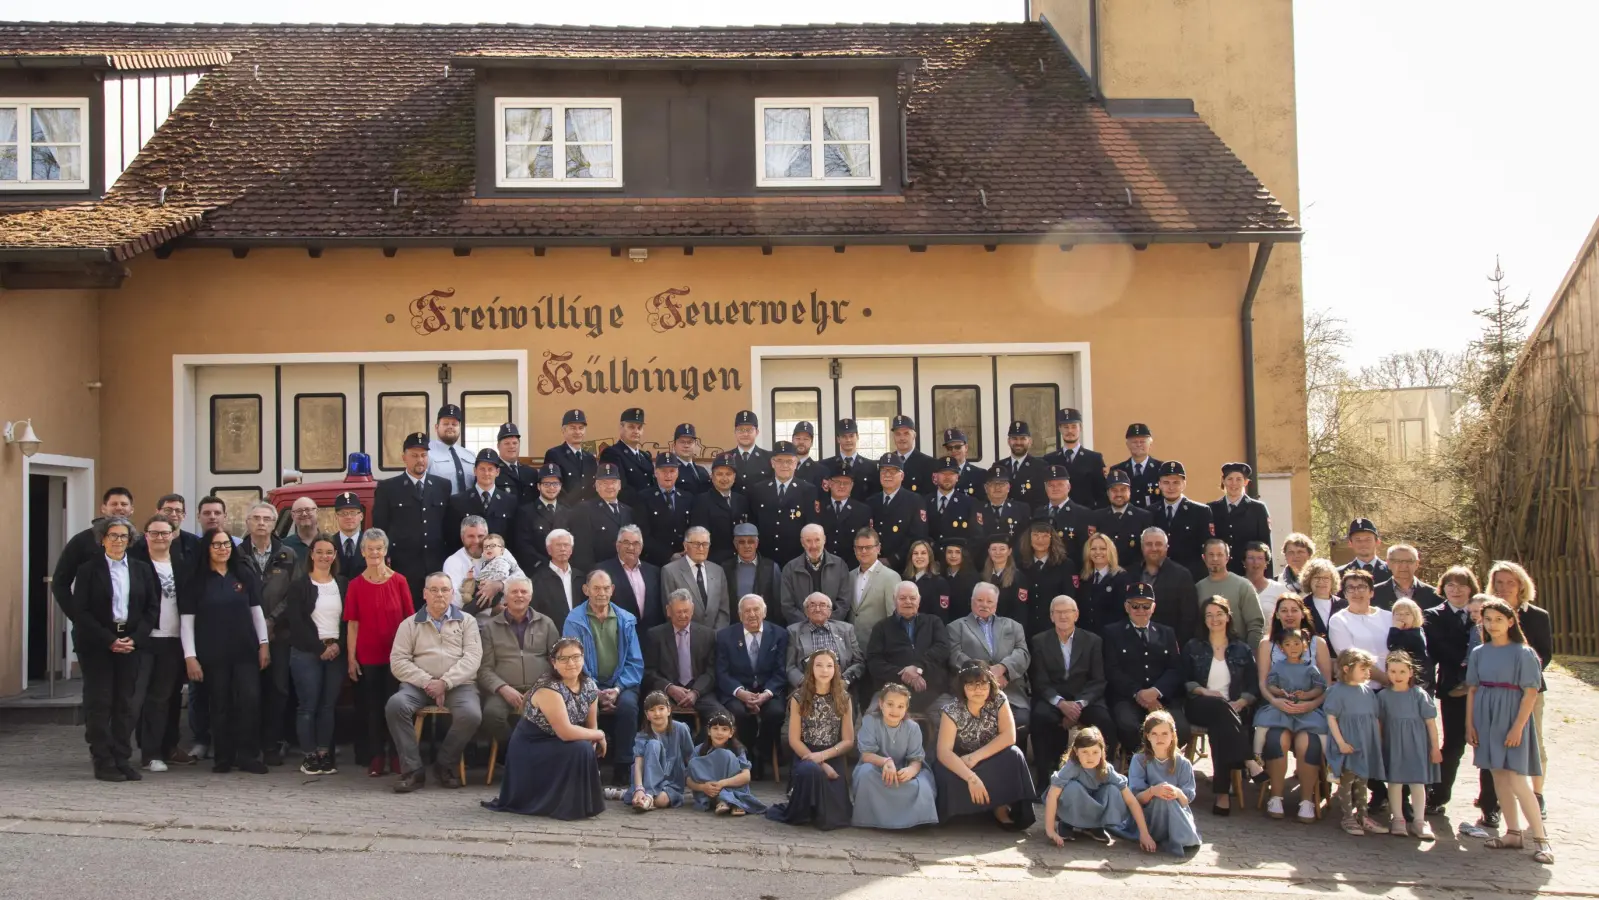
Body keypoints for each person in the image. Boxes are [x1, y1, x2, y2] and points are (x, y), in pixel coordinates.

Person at [72, 516, 158, 782]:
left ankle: (121, 758)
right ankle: (103, 760)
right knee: (100, 703)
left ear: (129, 541)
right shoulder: (88, 570)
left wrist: (135, 638)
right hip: (98, 644)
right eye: (113, 536)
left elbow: (152, 608)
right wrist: (109, 639)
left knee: (125, 704)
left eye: (123, 536)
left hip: (131, 643)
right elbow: (80, 611)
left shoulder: (142, 569)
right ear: (103, 540)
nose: (118, 541)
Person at [1466, 598, 1553, 863]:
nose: (1493, 625)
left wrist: (1517, 728)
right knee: (1498, 776)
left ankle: (1541, 839)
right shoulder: (1478, 652)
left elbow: (1530, 693)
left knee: (1516, 779)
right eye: (1488, 619)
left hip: (1512, 718)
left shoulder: (1523, 653)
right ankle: (1513, 833)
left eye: (1499, 619)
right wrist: (1470, 724)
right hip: (1486, 718)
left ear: (1511, 622)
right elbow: (1472, 689)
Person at [482, 637, 606, 819]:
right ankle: (564, 805)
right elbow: (566, 732)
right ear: (554, 663)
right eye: (563, 658)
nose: (571, 663)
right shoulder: (548, 688)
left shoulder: (590, 686)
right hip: (532, 746)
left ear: (583, 658)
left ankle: (578, 801)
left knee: (584, 748)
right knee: (580, 748)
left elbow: (591, 726)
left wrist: (594, 739)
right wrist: (599, 734)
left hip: (559, 741)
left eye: (576, 657)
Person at [180, 527, 271, 774]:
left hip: (245, 651)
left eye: (227, 544)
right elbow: (187, 622)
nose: (223, 549)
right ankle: (223, 757)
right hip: (212, 653)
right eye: (217, 545)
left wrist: (264, 644)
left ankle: (248, 756)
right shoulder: (196, 581)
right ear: (207, 549)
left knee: (249, 701)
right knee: (220, 704)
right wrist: (190, 657)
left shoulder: (243, 574)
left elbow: (257, 612)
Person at [386, 573, 484, 793]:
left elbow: (473, 658)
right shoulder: (409, 624)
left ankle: (444, 764)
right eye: (434, 590)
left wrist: (446, 682)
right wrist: (428, 682)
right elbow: (398, 662)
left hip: (459, 685)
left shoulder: (467, 621)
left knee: (471, 715)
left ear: (452, 593)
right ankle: (413, 770)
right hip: (418, 685)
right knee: (396, 705)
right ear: (424, 594)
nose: (439, 594)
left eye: (444, 590)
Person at [1477, 560, 1553, 827]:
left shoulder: (1537, 615)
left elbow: (1545, 654)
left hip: (1526, 690)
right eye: (1499, 582)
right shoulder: (1487, 612)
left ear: (1521, 585)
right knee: (1493, 747)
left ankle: (1537, 794)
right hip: (1493, 690)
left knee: (1533, 742)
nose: (1504, 587)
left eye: (1510, 582)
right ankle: (1492, 804)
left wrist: (1517, 676)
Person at [562, 570, 645, 787]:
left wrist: (617, 689)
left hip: (622, 684)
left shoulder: (626, 620)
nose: (601, 593)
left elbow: (635, 662)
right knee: (585, 707)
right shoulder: (574, 620)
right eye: (596, 588)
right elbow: (572, 661)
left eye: (606, 588)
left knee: (628, 708)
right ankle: (590, 766)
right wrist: (595, 690)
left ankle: (624, 767)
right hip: (586, 682)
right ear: (586, 590)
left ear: (612, 590)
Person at [343, 528, 412, 776]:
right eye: (369, 549)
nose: (374, 553)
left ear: (385, 550)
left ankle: (396, 755)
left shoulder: (400, 581)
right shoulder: (355, 585)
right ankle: (376, 757)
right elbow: (352, 624)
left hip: (396, 657)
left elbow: (410, 621)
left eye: (378, 548)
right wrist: (351, 659)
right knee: (372, 708)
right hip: (368, 656)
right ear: (362, 552)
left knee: (395, 707)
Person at [935, 662, 1037, 829]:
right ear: (962, 687)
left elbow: (1009, 736)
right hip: (961, 761)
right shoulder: (951, 710)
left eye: (983, 684)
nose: (978, 689)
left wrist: (976, 757)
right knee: (943, 772)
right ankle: (965, 814)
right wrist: (971, 778)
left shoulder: (999, 699)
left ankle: (1000, 807)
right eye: (971, 684)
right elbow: (943, 752)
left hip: (989, 756)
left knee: (1014, 754)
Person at [1180, 597, 1258, 815]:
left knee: (1220, 727)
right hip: (1199, 705)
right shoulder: (1193, 646)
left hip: (1232, 709)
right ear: (1204, 620)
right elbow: (1183, 680)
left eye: (1219, 614)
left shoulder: (1241, 649)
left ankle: (1222, 795)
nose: (1214, 619)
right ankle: (1248, 759)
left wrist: (1242, 701)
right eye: (1209, 615)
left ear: (1228, 617)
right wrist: (1203, 691)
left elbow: (1253, 685)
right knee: (1219, 708)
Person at [1028, 595, 1116, 787]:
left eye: (1067, 612)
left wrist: (1077, 706)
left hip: (1084, 699)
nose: (1063, 616)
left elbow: (1098, 680)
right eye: (1058, 612)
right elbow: (1040, 681)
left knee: (1105, 721)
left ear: (1076, 615)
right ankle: (1044, 782)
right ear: (1051, 616)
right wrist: (1060, 704)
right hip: (1053, 698)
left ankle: (1103, 778)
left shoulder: (1093, 641)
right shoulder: (1039, 641)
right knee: (1040, 718)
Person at [765, 649, 856, 829]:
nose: (824, 670)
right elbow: (794, 740)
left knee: (834, 818)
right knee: (810, 771)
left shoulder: (844, 698)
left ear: (836, 669)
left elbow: (848, 741)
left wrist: (823, 757)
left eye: (829, 666)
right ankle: (805, 809)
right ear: (811, 669)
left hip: (832, 753)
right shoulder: (798, 698)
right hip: (806, 754)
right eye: (819, 665)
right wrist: (821, 764)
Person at [130, 514, 192, 772]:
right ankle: (146, 753)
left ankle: (164, 749)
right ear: (146, 536)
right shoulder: (136, 565)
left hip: (174, 639)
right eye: (154, 533)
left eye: (164, 533)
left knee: (166, 697)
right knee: (141, 699)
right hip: (145, 640)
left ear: (173, 535)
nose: (159, 537)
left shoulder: (181, 564)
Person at [283, 535, 345, 775]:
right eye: (319, 551)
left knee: (328, 706)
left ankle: (324, 753)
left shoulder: (342, 584)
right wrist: (321, 649)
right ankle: (309, 756)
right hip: (306, 653)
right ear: (311, 554)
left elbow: (348, 619)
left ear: (335, 555)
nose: (324, 556)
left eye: (329, 552)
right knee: (308, 706)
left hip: (336, 653)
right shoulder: (299, 585)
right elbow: (296, 623)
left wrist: (338, 645)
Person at [1104, 582, 1189, 757]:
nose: (1141, 610)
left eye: (1146, 606)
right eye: (1135, 605)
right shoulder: (1112, 633)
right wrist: (1138, 693)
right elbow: (1112, 670)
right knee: (1128, 727)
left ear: (1153, 608)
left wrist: (1156, 692)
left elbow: (1175, 668)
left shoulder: (1166, 633)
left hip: (1161, 698)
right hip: (1128, 698)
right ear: (1127, 607)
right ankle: (1144, 764)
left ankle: (1164, 763)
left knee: (1180, 728)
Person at [1253, 624, 1327, 821]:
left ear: (1305, 646)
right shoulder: (1278, 666)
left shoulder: (1310, 668)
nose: (1293, 647)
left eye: (1297, 643)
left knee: (1310, 744)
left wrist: (1308, 698)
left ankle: (1307, 801)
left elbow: (1321, 687)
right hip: (1281, 710)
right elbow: (1269, 684)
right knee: (1276, 740)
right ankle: (1275, 796)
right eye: (1288, 644)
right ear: (1281, 647)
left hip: (1306, 712)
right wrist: (1280, 694)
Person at [476, 576, 559, 752]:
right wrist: (503, 688)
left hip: (540, 688)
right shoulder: (491, 627)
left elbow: (557, 663)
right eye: (514, 592)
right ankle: (514, 751)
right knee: (491, 714)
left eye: (523, 592)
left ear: (531, 596)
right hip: (503, 690)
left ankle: (537, 755)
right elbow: (484, 668)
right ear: (505, 597)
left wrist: (539, 687)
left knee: (553, 712)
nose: (519, 595)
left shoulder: (546, 623)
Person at [371, 432, 451, 610]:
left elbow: (448, 527)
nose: (420, 460)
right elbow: (379, 529)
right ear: (404, 457)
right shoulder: (388, 488)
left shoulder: (443, 486)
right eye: (414, 455)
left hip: (436, 567)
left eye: (423, 455)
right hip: (403, 568)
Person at [1423, 566, 1480, 815]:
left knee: (1487, 746)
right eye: (1451, 585)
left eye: (1462, 585)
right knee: (1454, 744)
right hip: (1453, 688)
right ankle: (1438, 796)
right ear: (1443, 589)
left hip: (1486, 689)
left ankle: (1490, 802)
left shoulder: (1484, 612)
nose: (1456, 590)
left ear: (1471, 588)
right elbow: (1439, 649)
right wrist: (1472, 661)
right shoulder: (1432, 615)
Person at [1044, 725, 1155, 850]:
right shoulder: (1072, 767)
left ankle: (1094, 826)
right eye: (1085, 752)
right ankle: (1067, 823)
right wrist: (1050, 830)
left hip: (1092, 807)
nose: (1090, 757)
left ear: (1102, 751)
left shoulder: (1106, 770)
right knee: (1073, 788)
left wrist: (1144, 834)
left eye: (1095, 752)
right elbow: (1052, 795)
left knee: (1113, 790)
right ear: (1076, 751)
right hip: (1072, 807)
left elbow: (1131, 800)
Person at [715, 595, 789, 780]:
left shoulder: (779, 634)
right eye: (747, 611)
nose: (752, 614)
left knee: (776, 713)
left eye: (756, 609)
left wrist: (766, 694)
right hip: (738, 690)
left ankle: (761, 749)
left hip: (768, 689)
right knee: (739, 714)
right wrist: (740, 693)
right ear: (740, 615)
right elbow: (721, 672)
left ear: (764, 612)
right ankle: (747, 753)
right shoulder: (724, 636)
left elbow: (781, 671)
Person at [851, 682, 940, 829]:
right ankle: (871, 819)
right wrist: (885, 762)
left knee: (923, 784)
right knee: (866, 775)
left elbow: (916, 759)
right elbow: (866, 755)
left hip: (902, 770)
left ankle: (914, 821)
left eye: (900, 706)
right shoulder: (870, 721)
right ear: (881, 704)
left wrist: (910, 770)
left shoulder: (912, 727)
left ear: (906, 708)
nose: (895, 710)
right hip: (876, 769)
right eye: (890, 704)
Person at [947, 583, 1032, 733]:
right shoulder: (955, 627)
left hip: (1010, 691)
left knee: (1020, 723)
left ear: (996, 604)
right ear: (972, 601)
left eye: (989, 601)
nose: (984, 605)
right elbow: (955, 656)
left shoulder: (1014, 626)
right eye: (980, 600)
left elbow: (1023, 653)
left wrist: (1003, 669)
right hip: (973, 693)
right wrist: (986, 674)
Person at [642, 590, 730, 727]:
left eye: (686, 611)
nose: (683, 615)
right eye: (678, 612)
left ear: (692, 609)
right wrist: (669, 688)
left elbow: (711, 671)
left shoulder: (708, 635)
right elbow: (648, 671)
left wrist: (695, 692)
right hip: (666, 692)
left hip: (699, 691)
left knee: (722, 718)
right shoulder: (655, 635)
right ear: (668, 611)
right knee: (657, 713)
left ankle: (699, 742)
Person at [1379, 650, 1440, 839]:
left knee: (1417, 782)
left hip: (1417, 745)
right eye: (1393, 671)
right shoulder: (1383, 696)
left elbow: (1431, 723)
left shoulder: (1419, 694)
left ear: (1411, 672)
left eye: (1402, 671)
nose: (1397, 676)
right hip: (1394, 744)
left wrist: (1435, 748)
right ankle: (1398, 819)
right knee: (1395, 782)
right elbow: (1380, 723)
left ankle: (1419, 821)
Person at [1325, 647, 1386, 836]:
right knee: (1347, 781)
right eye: (1363, 669)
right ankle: (1347, 817)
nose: (1368, 673)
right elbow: (1331, 718)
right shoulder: (1336, 691)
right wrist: (1341, 743)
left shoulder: (1368, 692)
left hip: (1364, 744)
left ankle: (1363, 815)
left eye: (1368, 669)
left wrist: (1376, 742)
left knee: (1362, 780)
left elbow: (1374, 717)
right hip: (1347, 744)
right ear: (1346, 669)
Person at [866, 582, 953, 714]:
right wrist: (904, 674)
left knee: (952, 718)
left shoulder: (933, 622)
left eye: (912, 598)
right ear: (894, 600)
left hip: (933, 693)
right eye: (902, 598)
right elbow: (874, 662)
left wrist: (918, 668)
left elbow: (943, 649)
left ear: (919, 600)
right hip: (891, 692)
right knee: (870, 717)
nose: (908, 602)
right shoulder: (881, 628)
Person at [53, 487, 136, 621]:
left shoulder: (139, 542)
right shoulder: (82, 540)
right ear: (103, 508)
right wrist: (78, 617)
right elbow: (60, 583)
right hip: (90, 625)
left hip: (131, 627)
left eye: (124, 504)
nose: (119, 508)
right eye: (114, 504)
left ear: (131, 509)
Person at [1128, 710, 1201, 855]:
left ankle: (1178, 836)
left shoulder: (1183, 764)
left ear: (1173, 735)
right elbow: (1137, 798)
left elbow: (1186, 800)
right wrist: (1153, 791)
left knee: (1168, 798)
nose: (1159, 738)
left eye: (1164, 734)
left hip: (1176, 813)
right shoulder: (1139, 760)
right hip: (1150, 815)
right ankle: (1160, 835)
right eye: (1154, 734)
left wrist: (1177, 792)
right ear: (1147, 736)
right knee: (1161, 799)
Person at [748, 441, 819, 565]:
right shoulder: (759, 489)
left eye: (789, 461)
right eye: (779, 461)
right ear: (772, 463)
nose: (784, 465)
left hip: (796, 558)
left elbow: (810, 525)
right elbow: (753, 522)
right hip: (765, 557)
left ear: (796, 463)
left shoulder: (808, 490)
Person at [686, 711, 766, 815]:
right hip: (710, 792)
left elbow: (746, 776)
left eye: (724, 729)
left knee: (724, 754)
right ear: (709, 731)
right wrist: (703, 787)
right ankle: (730, 802)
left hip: (731, 787)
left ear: (731, 733)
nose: (719, 733)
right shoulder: (699, 750)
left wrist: (722, 784)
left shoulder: (738, 750)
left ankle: (727, 800)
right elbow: (689, 779)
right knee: (694, 763)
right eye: (715, 728)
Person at [627, 691, 694, 811]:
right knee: (654, 744)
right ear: (647, 715)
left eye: (661, 708)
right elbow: (638, 765)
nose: (657, 713)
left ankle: (643, 798)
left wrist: (697, 785)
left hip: (671, 781)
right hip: (646, 781)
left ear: (669, 710)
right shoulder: (642, 736)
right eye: (652, 710)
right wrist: (639, 788)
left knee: (661, 800)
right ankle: (647, 796)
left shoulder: (681, 729)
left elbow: (690, 758)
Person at [443, 517, 522, 617]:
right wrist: (491, 611)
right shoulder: (452, 562)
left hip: (508, 617)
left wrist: (500, 585)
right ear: (462, 538)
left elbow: (522, 579)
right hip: (472, 622)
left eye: (481, 536)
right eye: (471, 536)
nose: (476, 541)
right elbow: (456, 602)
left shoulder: (500, 551)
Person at [446, 449, 518, 555]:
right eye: (482, 469)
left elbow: (513, 538)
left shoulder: (510, 501)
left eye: (490, 469)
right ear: (475, 471)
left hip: (499, 559)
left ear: (497, 472)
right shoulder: (458, 501)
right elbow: (452, 538)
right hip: (468, 559)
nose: (486, 473)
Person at [786, 592, 864, 691]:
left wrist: (845, 681)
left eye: (822, 605)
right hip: (806, 689)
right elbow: (790, 667)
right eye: (812, 605)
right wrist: (806, 684)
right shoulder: (794, 631)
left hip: (841, 688)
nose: (817, 609)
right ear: (806, 611)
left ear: (830, 611)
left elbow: (858, 662)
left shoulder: (846, 630)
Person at [1328, 568, 1394, 686]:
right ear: (1345, 594)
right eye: (1350, 588)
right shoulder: (1338, 620)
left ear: (1371, 592)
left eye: (1361, 587)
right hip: (1360, 688)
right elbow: (1352, 658)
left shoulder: (1389, 617)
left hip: (1394, 685)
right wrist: (1386, 680)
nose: (1356, 592)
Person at [1196, 538, 1266, 646]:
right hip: (1207, 651)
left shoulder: (1243, 586)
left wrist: (1251, 652)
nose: (1215, 558)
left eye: (1220, 554)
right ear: (1204, 558)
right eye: (1211, 555)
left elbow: (1255, 625)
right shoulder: (1198, 588)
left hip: (1238, 651)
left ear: (1227, 558)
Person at [1150, 461, 1213, 580]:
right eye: (1166, 482)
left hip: (1190, 577)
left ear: (1184, 484)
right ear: (1159, 484)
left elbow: (1207, 547)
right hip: (1158, 577)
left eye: (1176, 482)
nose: (1171, 487)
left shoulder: (1201, 511)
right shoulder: (1150, 512)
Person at [1207, 462, 1271, 576]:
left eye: (1239, 479)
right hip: (1220, 572)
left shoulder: (1258, 509)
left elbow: (1265, 545)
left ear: (1245, 482)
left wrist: (1267, 577)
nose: (1234, 483)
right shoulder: (1211, 508)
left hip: (1249, 572)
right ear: (1223, 481)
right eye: (1230, 479)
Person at [1134, 528, 1199, 640]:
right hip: (1134, 643)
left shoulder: (1182, 575)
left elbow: (1189, 617)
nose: (1154, 548)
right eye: (1149, 544)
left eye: (1158, 544)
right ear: (1142, 547)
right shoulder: (1130, 574)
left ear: (1166, 547)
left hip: (1168, 643)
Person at [867, 454, 928, 572]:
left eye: (893, 471)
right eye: (884, 470)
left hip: (904, 566)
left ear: (902, 476)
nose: (887, 475)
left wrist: (893, 559)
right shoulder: (871, 501)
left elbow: (918, 536)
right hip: (874, 565)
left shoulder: (915, 501)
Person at [662, 526, 731, 631]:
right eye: (696, 544)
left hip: (716, 636)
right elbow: (671, 612)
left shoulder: (718, 571)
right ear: (685, 546)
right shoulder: (670, 571)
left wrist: (716, 635)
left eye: (705, 544)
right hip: (685, 636)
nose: (701, 548)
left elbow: (723, 611)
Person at [779, 524, 850, 625]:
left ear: (824, 540)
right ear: (802, 543)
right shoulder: (790, 569)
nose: (813, 546)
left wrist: (827, 624)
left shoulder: (840, 565)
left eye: (817, 540)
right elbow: (787, 605)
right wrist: (807, 625)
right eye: (808, 541)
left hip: (833, 628)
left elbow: (844, 602)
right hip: (801, 629)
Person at [566, 462, 632, 570]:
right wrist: (592, 574)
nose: (609, 486)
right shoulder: (584, 509)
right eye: (604, 483)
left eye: (613, 482)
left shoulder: (628, 511)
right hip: (599, 573)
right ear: (596, 486)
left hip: (625, 571)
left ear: (619, 485)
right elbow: (582, 551)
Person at [597, 524, 664, 630]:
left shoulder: (654, 572)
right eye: (626, 543)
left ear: (641, 547)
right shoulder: (602, 571)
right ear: (617, 545)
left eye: (636, 543)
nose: (631, 547)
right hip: (617, 633)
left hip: (649, 635)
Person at [635, 453, 694, 568]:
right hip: (655, 562)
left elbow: (692, 528)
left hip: (684, 559)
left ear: (677, 473)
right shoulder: (643, 497)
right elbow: (643, 534)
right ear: (656, 472)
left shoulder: (687, 498)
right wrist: (669, 555)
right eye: (663, 471)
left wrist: (686, 551)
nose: (668, 475)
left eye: (672, 471)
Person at [690, 452, 750, 565]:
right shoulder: (702, 501)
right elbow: (699, 536)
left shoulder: (742, 500)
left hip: (740, 561)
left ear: (734, 477)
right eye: (719, 474)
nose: (724, 478)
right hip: (714, 562)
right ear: (712, 477)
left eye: (728, 474)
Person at [1043, 407, 1107, 510]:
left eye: (1073, 426)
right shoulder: (1049, 459)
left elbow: (1102, 494)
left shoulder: (1094, 459)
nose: (1070, 431)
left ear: (1080, 428)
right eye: (1066, 427)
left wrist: (1095, 516)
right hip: (1057, 515)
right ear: (1059, 429)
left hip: (1086, 515)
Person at [1019, 520, 1075, 637]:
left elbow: (1069, 598)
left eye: (1045, 536)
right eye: (1036, 535)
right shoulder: (1020, 564)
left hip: (1053, 630)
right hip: (1026, 629)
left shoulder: (1065, 565)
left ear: (1052, 539)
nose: (1040, 540)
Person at [1089, 470, 1152, 572]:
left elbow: (1147, 552)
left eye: (1123, 490)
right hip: (1105, 573)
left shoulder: (1144, 517)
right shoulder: (1097, 516)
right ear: (1108, 493)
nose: (1119, 494)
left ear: (1129, 491)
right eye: (1114, 490)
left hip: (1134, 575)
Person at [845, 528, 900, 644]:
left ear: (878, 548)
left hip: (878, 645)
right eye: (859, 548)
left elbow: (894, 616)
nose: (863, 551)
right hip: (852, 645)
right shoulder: (849, 576)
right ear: (854, 550)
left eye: (868, 547)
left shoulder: (891, 577)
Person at [722, 523, 781, 629]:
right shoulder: (725, 568)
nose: (746, 546)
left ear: (757, 543)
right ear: (735, 544)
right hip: (734, 626)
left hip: (764, 626)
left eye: (751, 542)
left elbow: (777, 604)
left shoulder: (771, 567)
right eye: (742, 542)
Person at [511, 463, 568, 568]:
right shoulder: (525, 512)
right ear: (538, 486)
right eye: (546, 484)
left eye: (555, 484)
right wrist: (547, 565)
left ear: (560, 486)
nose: (551, 488)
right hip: (537, 569)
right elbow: (523, 546)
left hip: (563, 568)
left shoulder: (567, 512)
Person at [1033, 463, 1091, 564]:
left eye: (1060, 484)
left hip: (1070, 568)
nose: (1055, 488)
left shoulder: (1083, 514)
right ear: (1045, 488)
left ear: (1069, 487)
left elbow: (1086, 549)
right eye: (1051, 485)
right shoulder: (1038, 513)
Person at [1079, 532, 1133, 637]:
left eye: (1103, 549)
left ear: (1110, 551)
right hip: (1087, 637)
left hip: (1111, 637)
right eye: (1093, 549)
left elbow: (1122, 613)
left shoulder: (1121, 578)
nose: (1098, 552)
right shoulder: (1084, 578)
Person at [529, 529, 584, 631]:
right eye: (558, 545)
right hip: (551, 634)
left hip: (579, 633)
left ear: (571, 550)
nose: (562, 549)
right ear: (549, 550)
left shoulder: (580, 577)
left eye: (566, 545)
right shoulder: (538, 580)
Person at [599, 407, 654, 504]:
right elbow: (620, 489)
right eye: (631, 427)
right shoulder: (611, 453)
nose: (636, 431)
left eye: (639, 428)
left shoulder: (645, 456)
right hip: (628, 509)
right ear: (621, 428)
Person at [543, 408, 598, 503]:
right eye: (573, 428)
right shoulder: (554, 455)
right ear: (563, 430)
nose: (577, 432)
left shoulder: (590, 458)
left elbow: (594, 487)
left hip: (588, 509)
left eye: (581, 428)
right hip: (564, 509)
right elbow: (552, 488)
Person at [926, 456, 980, 548]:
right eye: (943, 473)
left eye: (951, 473)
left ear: (957, 477)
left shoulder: (969, 503)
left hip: (957, 555)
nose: (947, 477)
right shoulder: (924, 501)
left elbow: (975, 537)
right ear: (935, 476)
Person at [825, 417, 879, 501]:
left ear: (857, 437)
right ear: (838, 439)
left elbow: (875, 495)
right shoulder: (826, 465)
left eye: (851, 436)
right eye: (844, 436)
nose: (848, 440)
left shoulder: (871, 466)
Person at [1110, 423, 1163, 510]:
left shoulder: (1161, 468)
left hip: (1154, 516)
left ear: (1150, 444)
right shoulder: (1117, 470)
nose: (1138, 445)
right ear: (1127, 444)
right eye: (1134, 442)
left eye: (1142, 442)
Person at [1373, 543, 1441, 611]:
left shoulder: (1434, 594)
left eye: (1409, 561)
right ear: (1388, 563)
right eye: (1398, 561)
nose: (1404, 566)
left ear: (1417, 563)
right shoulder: (1373, 593)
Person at [427, 403, 476, 494]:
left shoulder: (471, 456)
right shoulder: (427, 453)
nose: (450, 427)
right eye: (445, 424)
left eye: (454, 424)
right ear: (436, 427)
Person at [979, 535, 1027, 625]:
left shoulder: (1018, 577)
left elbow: (1020, 611)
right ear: (989, 551)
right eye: (994, 549)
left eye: (1002, 549)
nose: (998, 552)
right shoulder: (982, 577)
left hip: (1008, 628)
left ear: (1009, 551)